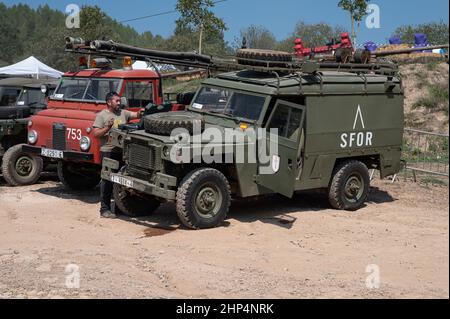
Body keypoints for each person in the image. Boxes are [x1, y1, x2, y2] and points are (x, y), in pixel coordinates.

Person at [93, 92, 142, 218]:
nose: (119, 103)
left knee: (121, 181)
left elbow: (135, 114)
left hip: (123, 152)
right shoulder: (101, 116)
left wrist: (142, 112)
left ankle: (120, 208)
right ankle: (104, 209)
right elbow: (96, 134)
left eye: (120, 101)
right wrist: (107, 128)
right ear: (109, 102)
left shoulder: (123, 113)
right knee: (107, 180)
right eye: (116, 101)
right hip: (108, 151)